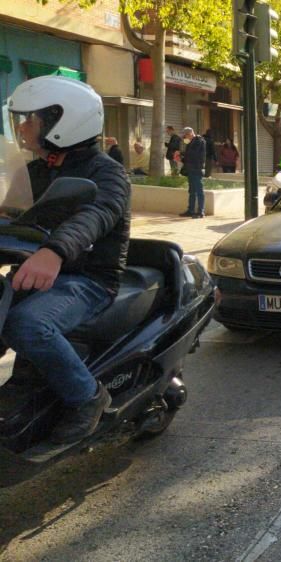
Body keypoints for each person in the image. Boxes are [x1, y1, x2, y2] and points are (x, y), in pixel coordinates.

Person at [3, 75, 130, 444]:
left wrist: (54, 251)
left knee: (27, 325)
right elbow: (10, 217)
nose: (23, 128)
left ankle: (88, 398)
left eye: (31, 119)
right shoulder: (33, 171)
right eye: (21, 120)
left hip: (87, 279)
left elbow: (96, 216)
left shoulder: (107, 172)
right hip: (31, 271)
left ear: (63, 121)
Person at [179, 127, 206, 218]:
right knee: (192, 191)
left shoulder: (199, 141)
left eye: (185, 136)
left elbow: (194, 155)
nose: (185, 138)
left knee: (199, 190)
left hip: (196, 169)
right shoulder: (191, 143)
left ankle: (200, 211)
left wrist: (183, 154)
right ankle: (191, 210)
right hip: (191, 169)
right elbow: (188, 157)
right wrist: (181, 157)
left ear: (190, 133)